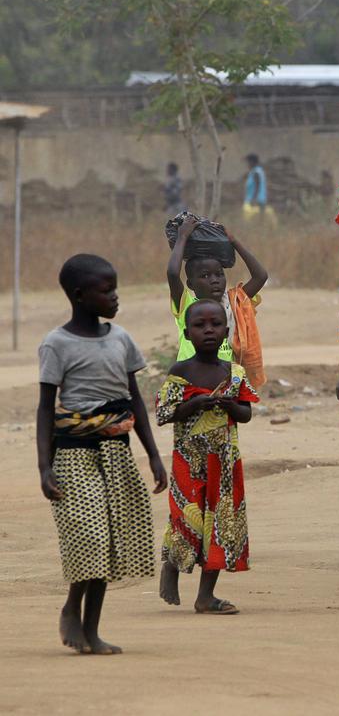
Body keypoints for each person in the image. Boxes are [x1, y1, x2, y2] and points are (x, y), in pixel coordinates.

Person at [37, 254, 167, 654]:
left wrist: (154, 455)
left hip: (116, 451)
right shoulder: (56, 344)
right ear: (79, 295)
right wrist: (44, 467)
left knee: (109, 543)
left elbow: (134, 402)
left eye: (115, 288)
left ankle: (89, 629)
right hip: (74, 455)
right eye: (106, 290)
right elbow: (45, 407)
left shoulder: (121, 339)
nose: (115, 296)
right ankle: (73, 609)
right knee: (90, 537)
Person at [156, 300, 258, 614]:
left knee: (219, 522)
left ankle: (206, 596)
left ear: (227, 331)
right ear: (188, 333)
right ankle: (171, 566)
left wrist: (229, 405)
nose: (209, 330)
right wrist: (196, 404)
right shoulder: (181, 371)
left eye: (215, 324)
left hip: (224, 463)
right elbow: (164, 413)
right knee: (184, 517)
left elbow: (246, 413)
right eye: (200, 326)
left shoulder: (234, 372)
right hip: (189, 460)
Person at [166, 216, 268, 387]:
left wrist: (234, 241)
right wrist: (182, 237)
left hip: (224, 381)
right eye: (205, 276)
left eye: (219, 274)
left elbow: (261, 276)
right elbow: (172, 274)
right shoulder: (187, 306)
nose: (214, 280)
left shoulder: (235, 302)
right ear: (191, 284)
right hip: (191, 382)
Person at [243, 153, 270, 222]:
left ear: (252, 162)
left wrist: (253, 199)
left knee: (256, 221)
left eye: (248, 162)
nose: (247, 164)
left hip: (257, 201)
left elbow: (257, 187)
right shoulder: (256, 171)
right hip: (257, 200)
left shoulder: (256, 172)